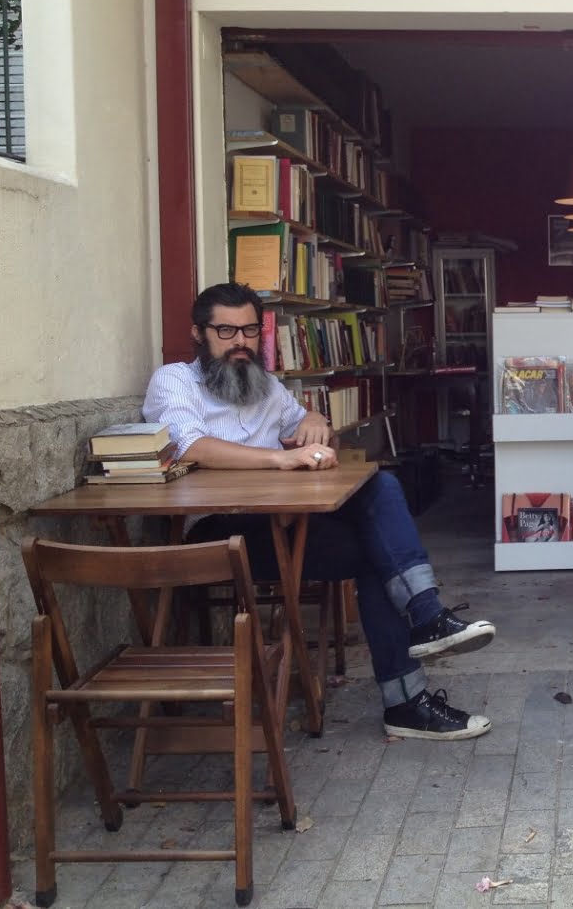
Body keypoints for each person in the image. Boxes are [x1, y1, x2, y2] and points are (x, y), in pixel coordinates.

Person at [142, 282, 495, 741]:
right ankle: (416, 658)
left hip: (280, 526)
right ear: (199, 333)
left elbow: (311, 428)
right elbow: (190, 445)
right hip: (217, 537)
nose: (241, 342)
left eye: (250, 329)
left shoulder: (265, 386)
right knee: (377, 537)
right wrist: (279, 458)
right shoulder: (174, 380)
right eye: (226, 331)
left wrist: (316, 421)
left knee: (380, 503)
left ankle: (417, 654)